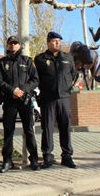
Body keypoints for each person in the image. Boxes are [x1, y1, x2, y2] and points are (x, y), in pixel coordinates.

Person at [0, 35, 40, 172]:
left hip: (24, 101)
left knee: (29, 131)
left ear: (20, 45)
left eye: (15, 43)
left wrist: (23, 90)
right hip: (9, 101)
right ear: (7, 46)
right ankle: (7, 161)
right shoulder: (1, 63)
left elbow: (35, 79)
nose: (13, 45)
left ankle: (34, 160)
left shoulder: (27, 61)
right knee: (8, 132)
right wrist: (12, 90)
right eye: (11, 43)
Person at [34, 32, 77, 169]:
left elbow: (73, 75)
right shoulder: (40, 59)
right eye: (54, 41)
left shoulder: (68, 58)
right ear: (48, 43)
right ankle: (47, 156)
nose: (57, 43)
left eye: (59, 40)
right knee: (47, 128)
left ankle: (67, 156)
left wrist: (66, 89)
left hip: (64, 98)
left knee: (65, 127)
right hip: (48, 99)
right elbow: (36, 78)